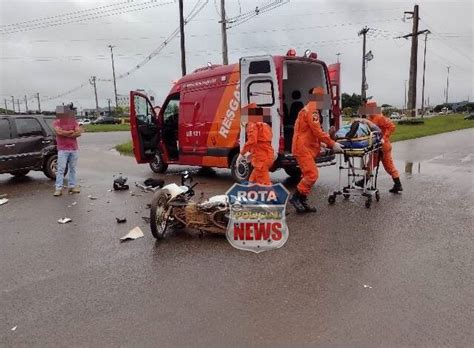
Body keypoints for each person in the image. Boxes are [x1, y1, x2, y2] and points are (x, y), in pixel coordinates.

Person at [289, 87, 343, 213]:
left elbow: (310, 132)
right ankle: (296, 198)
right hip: (303, 148)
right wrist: (332, 143)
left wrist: (321, 144)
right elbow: (317, 132)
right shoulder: (312, 111)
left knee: (307, 175)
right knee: (312, 174)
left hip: (305, 147)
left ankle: (302, 199)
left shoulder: (309, 109)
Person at [359, 100, 403, 193]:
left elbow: (391, 126)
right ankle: (363, 182)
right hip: (376, 146)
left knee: (389, 166)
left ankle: (398, 184)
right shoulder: (371, 118)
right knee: (370, 164)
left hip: (383, 146)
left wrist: (384, 137)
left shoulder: (379, 117)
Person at [53, 104, 83, 197]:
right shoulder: (57, 122)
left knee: (73, 169)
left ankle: (72, 186)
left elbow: (79, 132)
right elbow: (59, 132)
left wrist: (66, 133)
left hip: (74, 149)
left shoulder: (74, 121)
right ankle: (58, 188)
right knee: (61, 169)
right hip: (62, 149)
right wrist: (70, 132)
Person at [238, 121, 274, 186]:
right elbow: (261, 143)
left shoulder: (252, 125)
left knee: (264, 184)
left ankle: (270, 195)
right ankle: (250, 193)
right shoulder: (262, 125)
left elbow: (252, 141)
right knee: (252, 180)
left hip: (261, 160)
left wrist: (241, 154)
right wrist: (251, 154)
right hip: (266, 156)